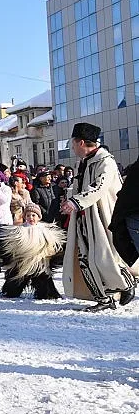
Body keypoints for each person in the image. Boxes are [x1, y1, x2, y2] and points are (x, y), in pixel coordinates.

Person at [60, 122, 137, 311]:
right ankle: (103, 298)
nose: (72, 147)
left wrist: (75, 202)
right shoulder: (83, 162)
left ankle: (127, 282)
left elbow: (99, 187)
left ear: (81, 142)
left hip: (103, 217)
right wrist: (70, 198)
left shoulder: (105, 161)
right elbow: (80, 187)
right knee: (85, 258)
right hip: (84, 218)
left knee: (105, 257)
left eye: (73, 143)